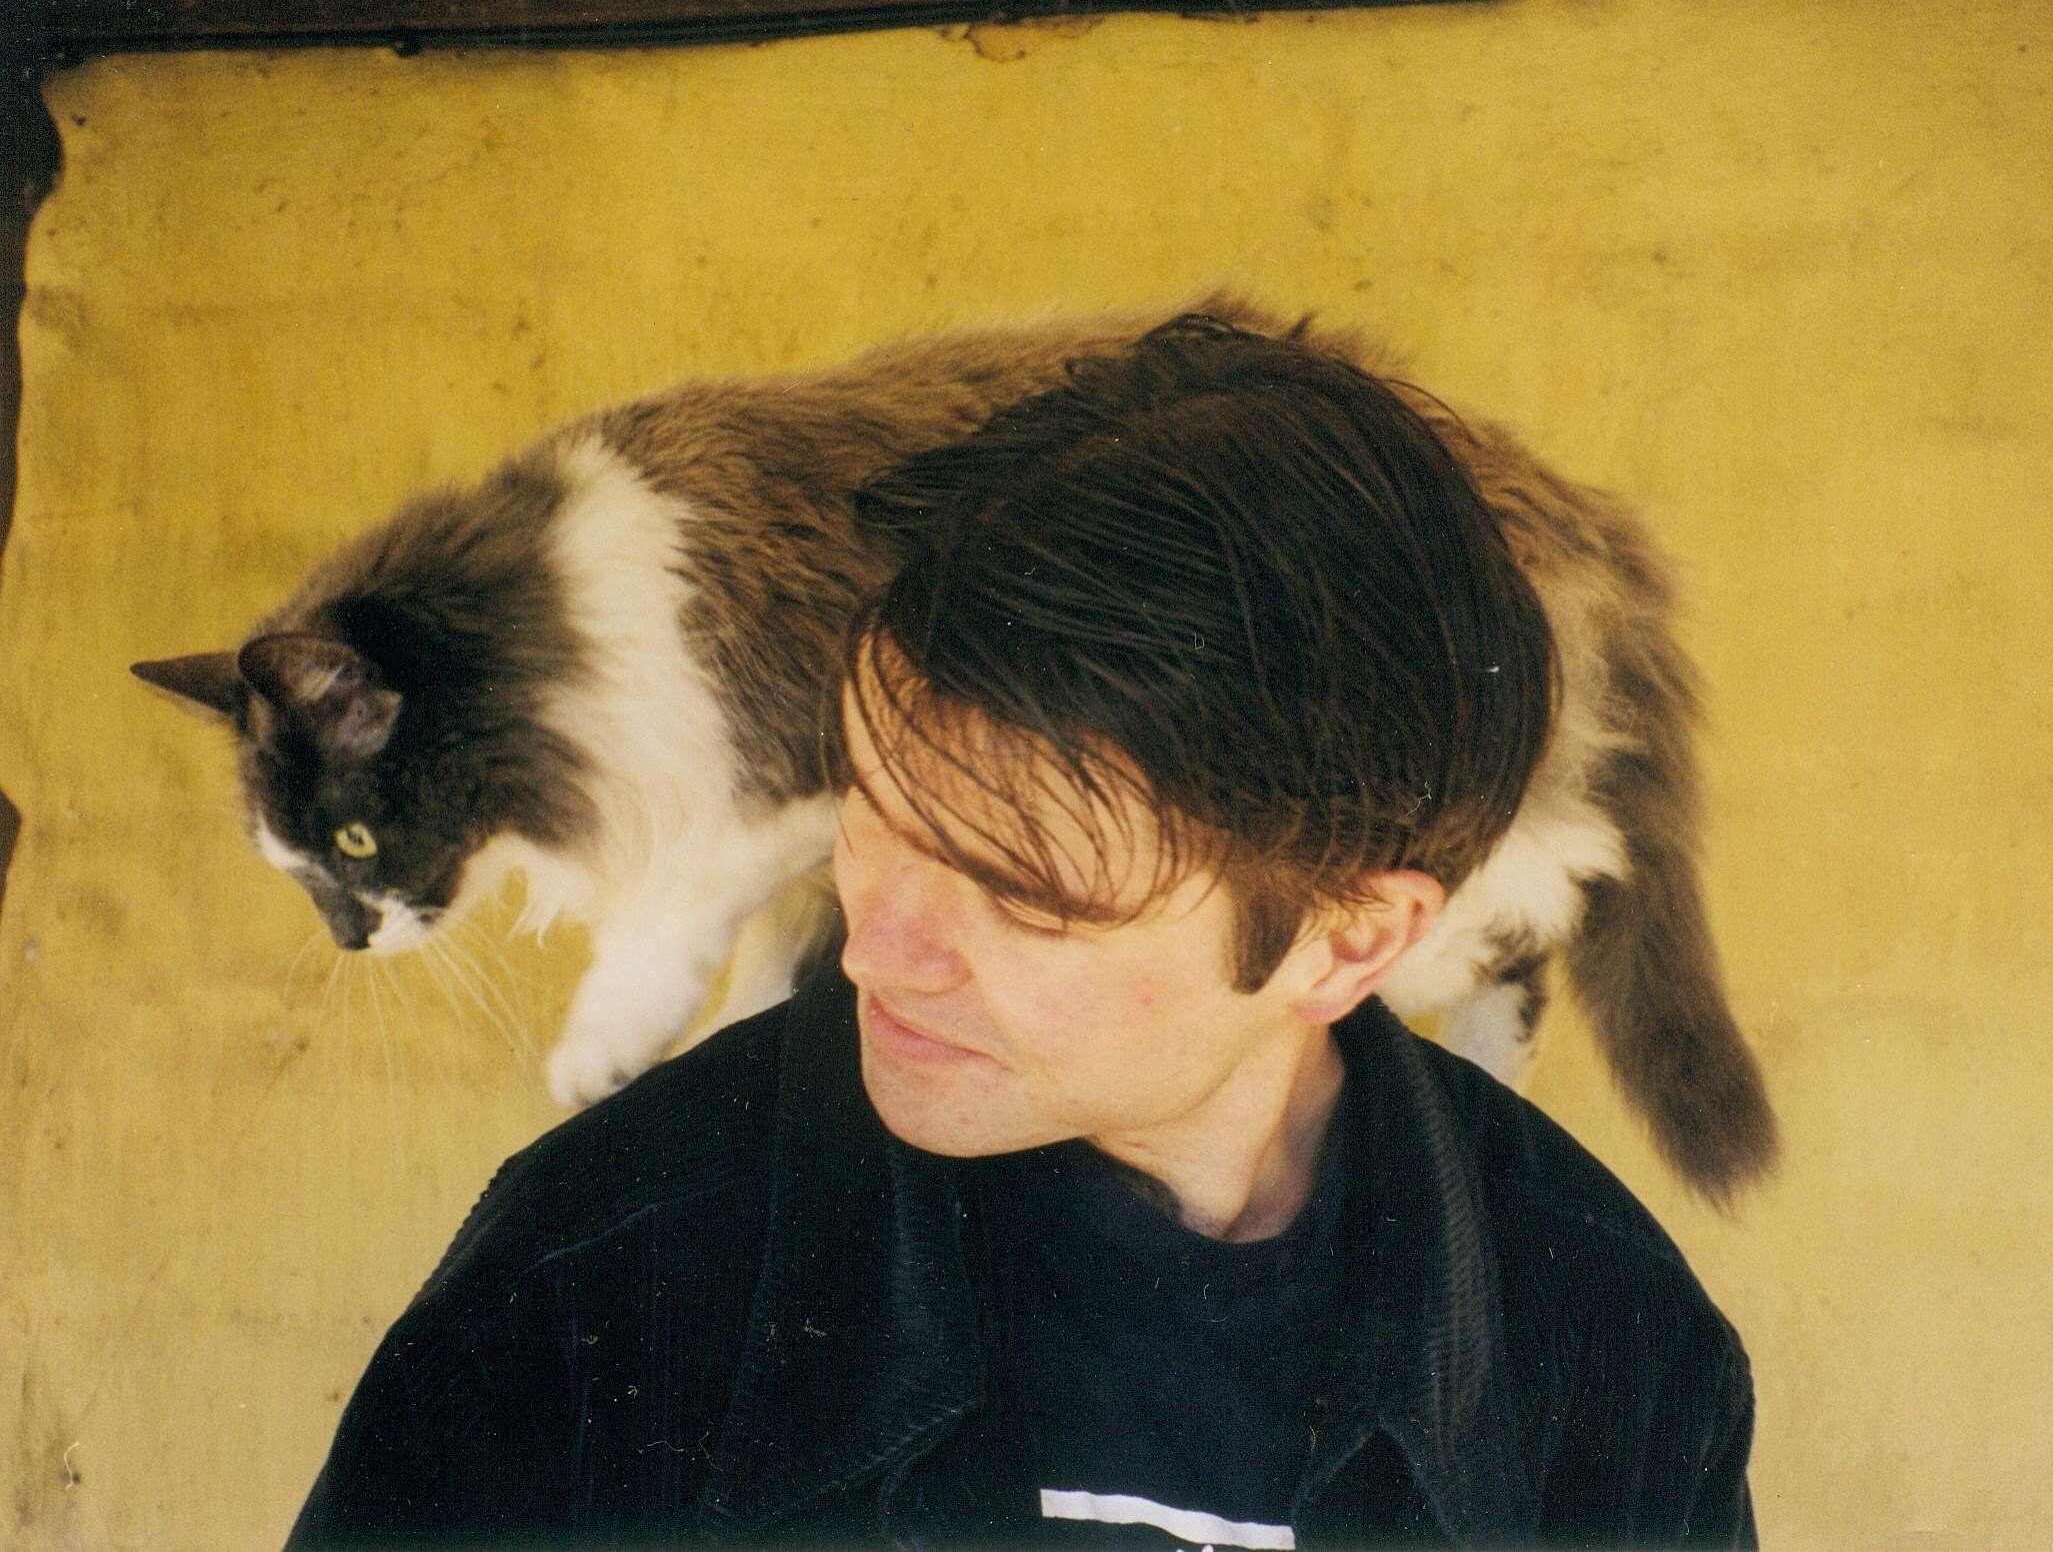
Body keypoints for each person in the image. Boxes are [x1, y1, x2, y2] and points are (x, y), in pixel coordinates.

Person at [290, 314, 1756, 1549]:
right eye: (874, 810)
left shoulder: (1615, 1348)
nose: (873, 948)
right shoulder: (589, 1283)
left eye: (1025, 893)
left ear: (1347, 943)